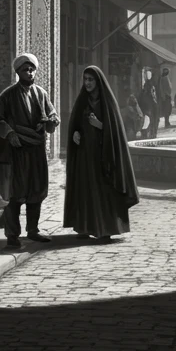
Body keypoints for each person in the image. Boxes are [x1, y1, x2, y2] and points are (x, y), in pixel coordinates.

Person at [64, 65, 140, 242]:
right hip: (85, 155)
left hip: (104, 156)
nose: (88, 83)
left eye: (91, 80)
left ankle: (105, 228)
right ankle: (84, 226)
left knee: (103, 191)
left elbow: (116, 131)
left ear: (98, 81)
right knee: (86, 190)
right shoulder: (82, 100)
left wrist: (100, 125)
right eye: (86, 79)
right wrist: (75, 133)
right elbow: (76, 123)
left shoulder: (107, 103)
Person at [0, 53, 59, 249]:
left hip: (36, 149)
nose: (29, 73)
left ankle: (33, 230)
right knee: (15, 193)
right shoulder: (8, 95)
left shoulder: (41, 93)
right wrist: (10, 133)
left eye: (32, 69)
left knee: (36, 189)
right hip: (16, 150)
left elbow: (53, 114)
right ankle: (12, 235)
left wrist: (50, 120)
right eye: (25, 70)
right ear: (18, 72)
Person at [140, 71, 160, 138]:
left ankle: (152, 134)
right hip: (150, 106)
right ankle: (152, 134)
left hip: (150, 105)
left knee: (153, 120)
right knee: (152, 120)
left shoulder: (150, 85)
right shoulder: (150, 85)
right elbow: (151, 96)